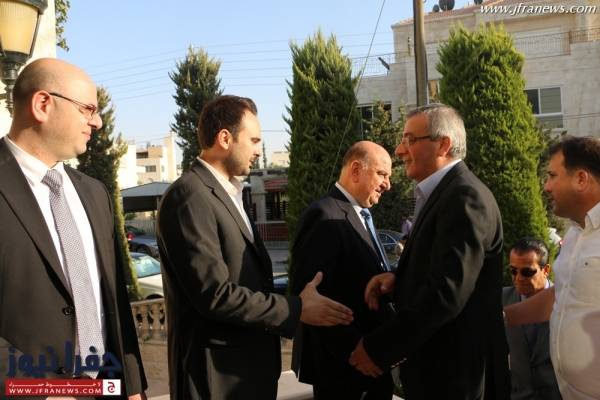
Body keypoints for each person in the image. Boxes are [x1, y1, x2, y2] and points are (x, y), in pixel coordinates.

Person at [156, 95, 354, 400]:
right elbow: (215, 295)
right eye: (254, 140)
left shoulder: (229, 193)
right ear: (225, 138)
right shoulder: (190, 195)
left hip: (246, 374)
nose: (259, 151)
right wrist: (297, 308)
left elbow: (247, 281)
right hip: (216, 381)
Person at [0, 58, 147, 398]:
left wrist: (132, 385)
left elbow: (114, 300)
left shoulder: (95, 193)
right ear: (43, 104)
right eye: (88, 109)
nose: (97, 121)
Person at [349, 103, 510, 399]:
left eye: (409, 140)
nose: (399, 150)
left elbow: (446, 294)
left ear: (443, 145)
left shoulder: (464, 197)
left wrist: (378, 349)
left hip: (456, 377)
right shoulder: (444, 193)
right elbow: (445, 269)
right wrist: (399, 279)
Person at [291, 141, 395, 399]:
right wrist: (359, 351)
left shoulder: (360, 213)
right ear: (356, 170)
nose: (388, 184)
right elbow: (312, 301)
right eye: (382, 174)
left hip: (372, 364)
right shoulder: (324, 215)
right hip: (345, 371)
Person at [504, 136, 600, 399]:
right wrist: (500, 317)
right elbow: (561, 297)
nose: (546, 186)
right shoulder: (576, 234)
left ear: (581, 179)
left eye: (552, 176)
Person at [502, 238, 561, 400]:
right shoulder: (501, 300)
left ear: (546, 270)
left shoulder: (565, 302)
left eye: (527, 272)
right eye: (513, 271)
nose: (518, 278)